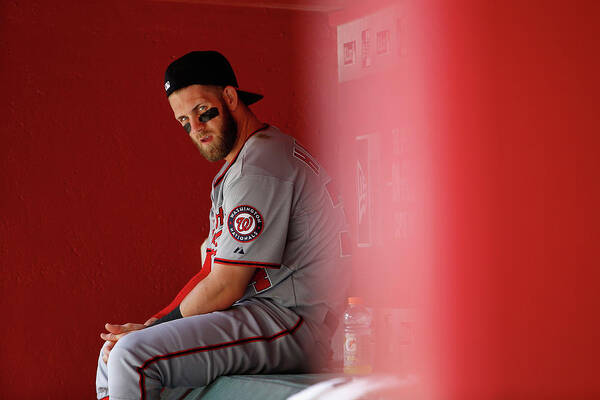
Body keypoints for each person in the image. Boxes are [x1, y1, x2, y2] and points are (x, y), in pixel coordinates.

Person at [95, 51, 350, 400]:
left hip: (294, 320)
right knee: (112, 354)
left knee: (131, 355)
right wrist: (154, 325)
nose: (195, 128)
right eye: (184, 121)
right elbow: (212, 269)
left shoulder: (258, 166)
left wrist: (154, 325)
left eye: (202, 112)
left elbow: (224, 285)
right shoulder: (251, 157)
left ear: (230, 97)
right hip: (263, 313)